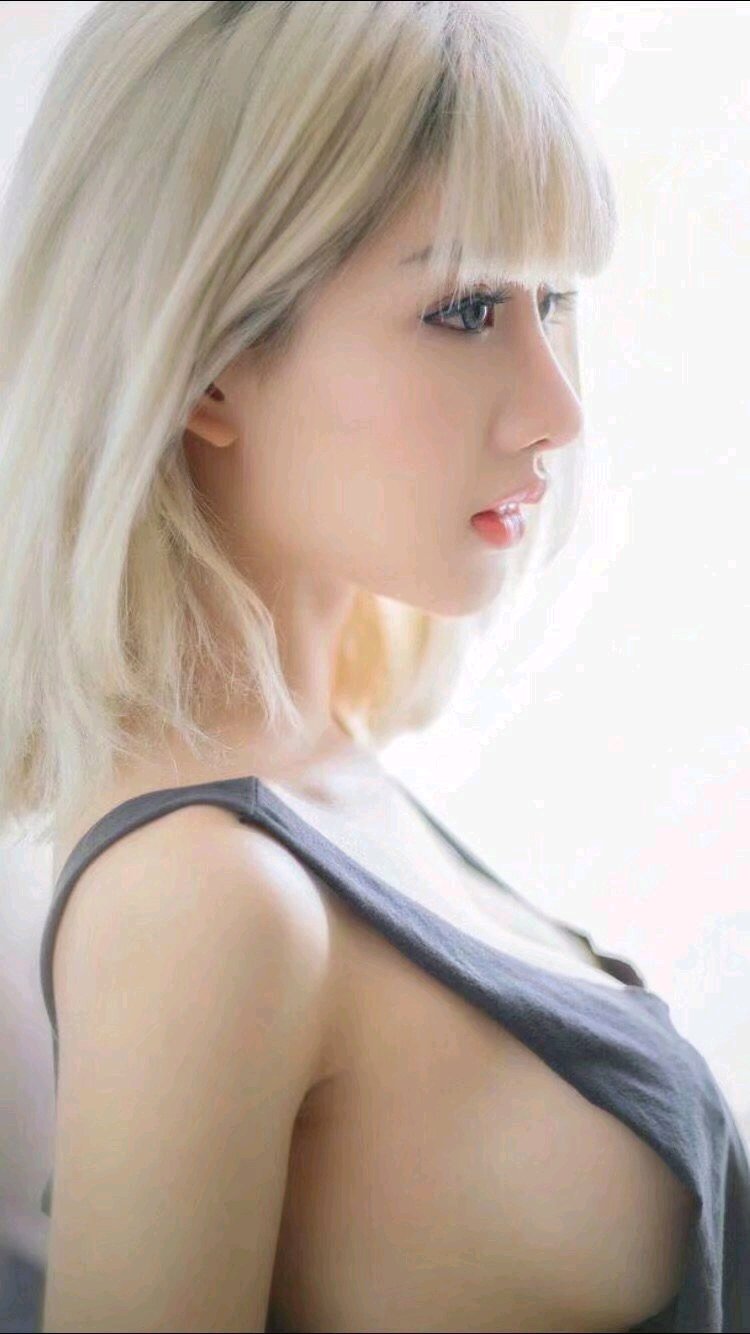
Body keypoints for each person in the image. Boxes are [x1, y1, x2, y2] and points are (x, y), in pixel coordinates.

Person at [0, 3, 747, 1331]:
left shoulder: (316, 775)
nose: (557, 408)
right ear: (207, 364)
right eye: (463, 308)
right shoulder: (207, 902)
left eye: (552, 301)